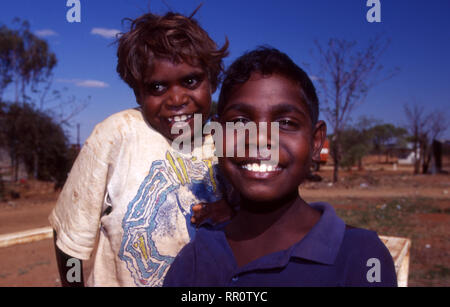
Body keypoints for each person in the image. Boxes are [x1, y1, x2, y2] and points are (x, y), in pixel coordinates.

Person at [163, 47, 397, 287]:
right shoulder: (194, 259)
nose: (261, 139)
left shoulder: (360, 256)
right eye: (240, 122)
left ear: (316, 142)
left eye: (285, 123)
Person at [49, 10, 229, 287]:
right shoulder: (117, 135)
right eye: (157, 87)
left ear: (213, 81)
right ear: (137, 93)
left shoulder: (228, 141)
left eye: (191, 81)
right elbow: (71, 241)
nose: (177, 99)